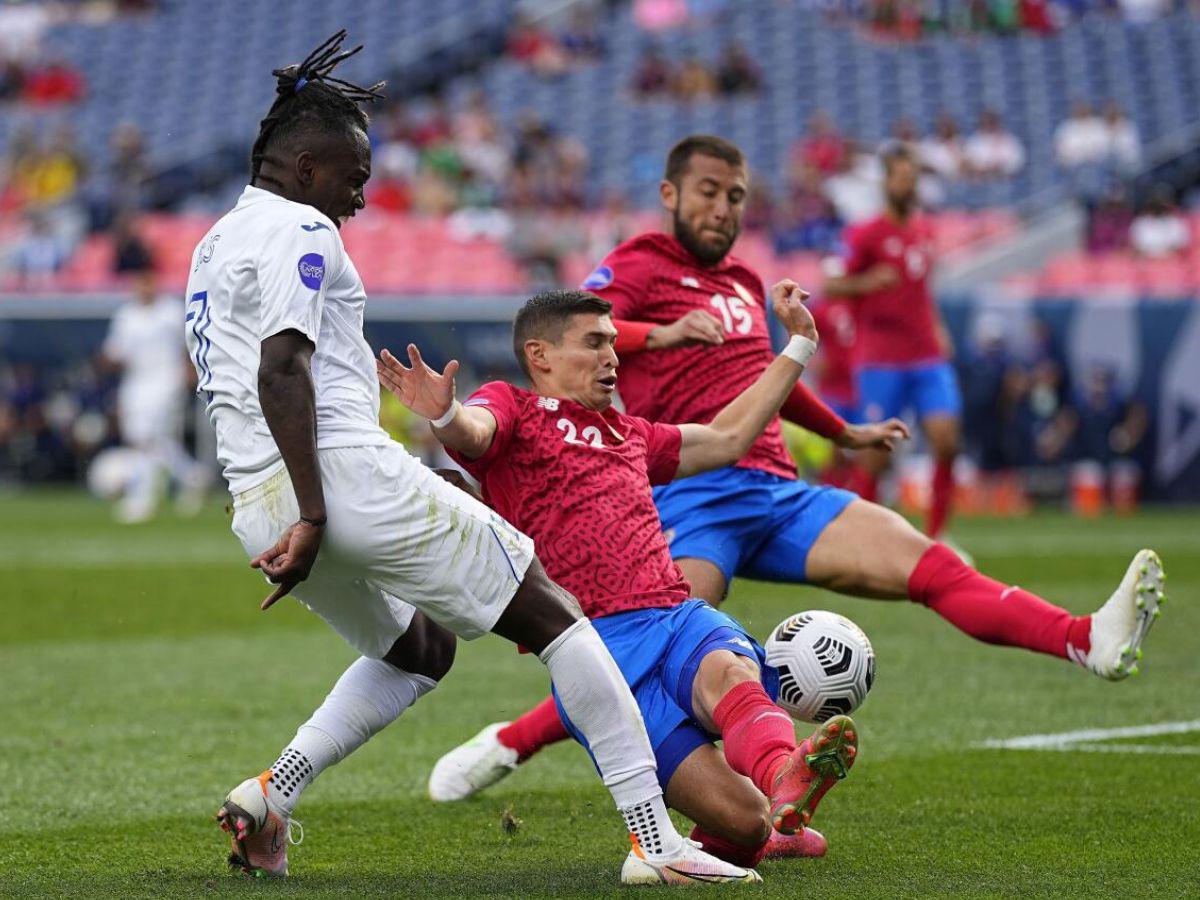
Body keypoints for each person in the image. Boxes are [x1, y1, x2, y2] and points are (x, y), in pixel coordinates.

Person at [428, 135, 1165, 815]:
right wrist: (666, 332)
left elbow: (764, 376)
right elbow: (581, 330)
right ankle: (514, 741)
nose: (723, 208)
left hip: (775, 487)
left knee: (931, 564)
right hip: (688, 497)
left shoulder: (748, 279)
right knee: (640, 654)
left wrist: (843, 430)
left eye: (737, 196)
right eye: (709, 192)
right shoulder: (637, 264)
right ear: (670, 195)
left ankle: (1085, 638)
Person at [191, 34, 752, 885]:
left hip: (256, 501)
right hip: (329, 483)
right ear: (305, 165)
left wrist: (305, 510)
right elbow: (282, 367)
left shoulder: (213, 244)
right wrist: (318, 511)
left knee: (420, 650)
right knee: (554, 611)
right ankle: (653, 839)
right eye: (353, 177)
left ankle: (273, 794)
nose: (361, 197)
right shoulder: (302, 226)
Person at [383, 287, 857, 872]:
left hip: (675, 615)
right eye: (594, 343)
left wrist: (801, 344)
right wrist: (447, 413)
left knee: (727, 671)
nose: (612, 356)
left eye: (613, 343)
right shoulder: (514, 407)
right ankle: (752, 827)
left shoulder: (631, 432)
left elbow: (730, 438)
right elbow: (474, 434)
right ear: (541, 354)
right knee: (747, 820)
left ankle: (786, 769)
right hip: (593, 653)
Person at [823, 142, 961, 537]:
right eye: (901, 177)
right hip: (880, 358)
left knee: (946, 440)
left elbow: (921, 290)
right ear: (886, 182)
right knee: (875, 459)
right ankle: (870, 538)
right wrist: (868, 281)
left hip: (926, 355)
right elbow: (831, 285)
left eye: (912, 178)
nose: (908, 185)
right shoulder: (864, 233)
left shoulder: (923, 230)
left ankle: (937, 536)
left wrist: (937, 327)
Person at [100, 269, 209, 521]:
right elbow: (116, 352)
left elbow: (189, 344)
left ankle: (143, 497)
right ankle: (193, 476)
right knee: (144, 440)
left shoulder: (170, 311)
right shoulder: (126, 316)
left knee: (148, 439)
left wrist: (189, 371)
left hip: (165, 381)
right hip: (135, 384)